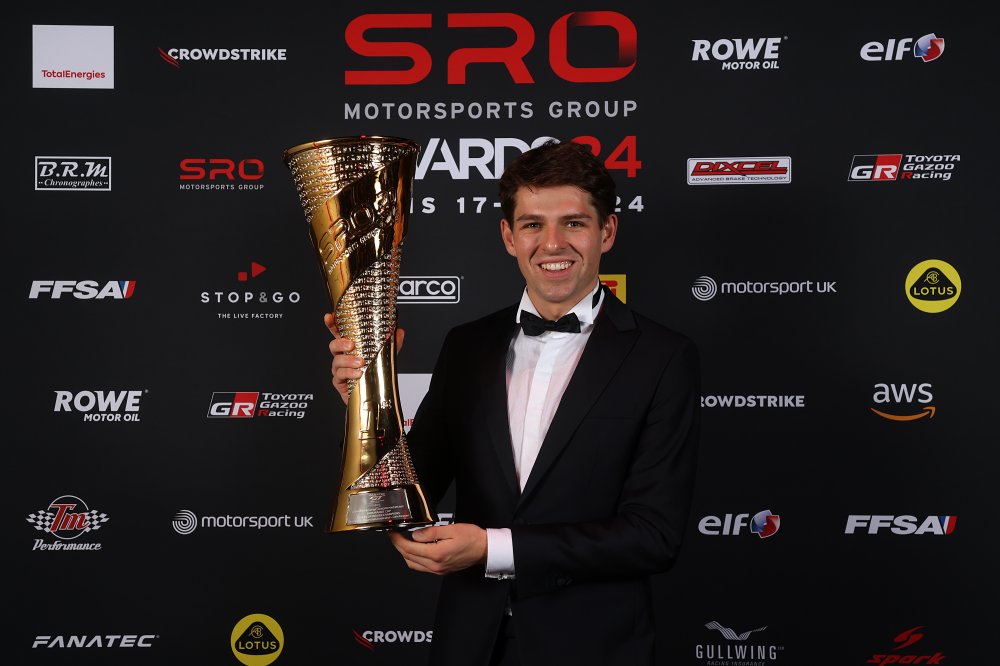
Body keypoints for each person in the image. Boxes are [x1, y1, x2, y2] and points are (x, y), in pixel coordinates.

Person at [327, 140, 700, 666]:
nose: (552, 243)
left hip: (591, 648)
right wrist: (369, 399)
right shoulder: (467, 345)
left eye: (574, 223)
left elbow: (653, 536)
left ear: (607, 232)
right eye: (532, 225)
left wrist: (492, 548)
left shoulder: (663, 357)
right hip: (469, 643)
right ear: (508, 236)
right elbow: (415, 488)